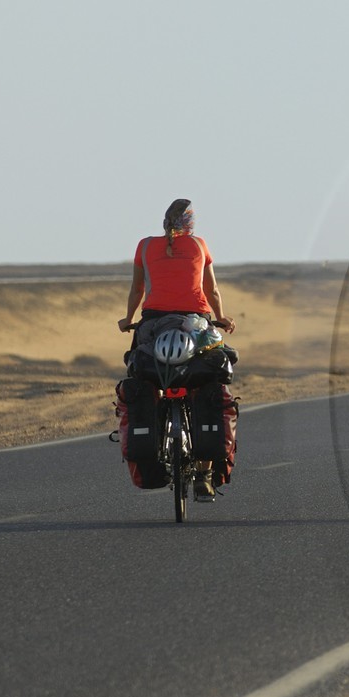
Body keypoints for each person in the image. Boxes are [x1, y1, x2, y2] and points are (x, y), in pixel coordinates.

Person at [119, 198, 236, 501]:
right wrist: (221, 317)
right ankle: (205, 474)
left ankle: (155, 435)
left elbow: (137, 290)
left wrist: (128, 319)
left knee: (144, 374)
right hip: (195, 324)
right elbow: (212, 291)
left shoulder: (145, 246)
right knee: (207, 381)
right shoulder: (199, 245)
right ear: (190, 223)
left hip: (153, 324)